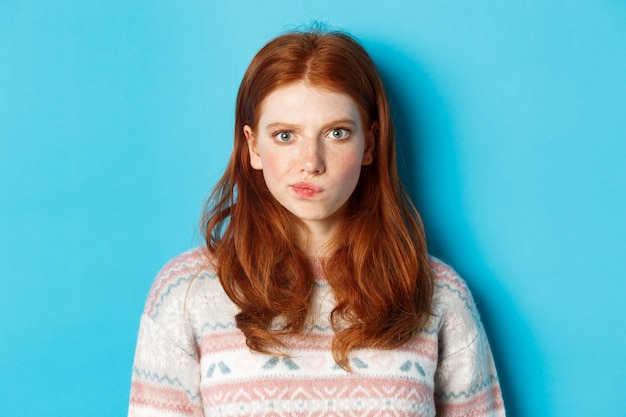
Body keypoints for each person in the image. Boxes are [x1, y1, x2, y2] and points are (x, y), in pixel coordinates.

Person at [128, 29, 505, 417]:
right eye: (285, 135)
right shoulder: (186, 293)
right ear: (253, 146)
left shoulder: (436, 293)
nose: (311, 161)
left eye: (337, 133)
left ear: (369, 144)